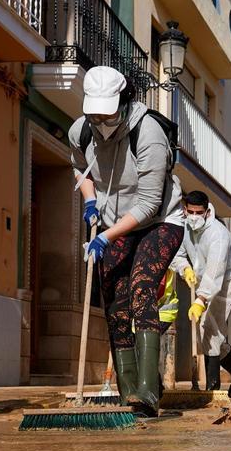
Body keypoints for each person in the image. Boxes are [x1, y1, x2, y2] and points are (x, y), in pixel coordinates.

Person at [73, 66, 184, 417]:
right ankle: (129, 395)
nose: (100, 123)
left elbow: (150, 203)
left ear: (122, 103)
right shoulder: (81, 131)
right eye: (94, 116)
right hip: (114, 220)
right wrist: (90, 200)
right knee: (115, 301)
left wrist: (105, 236)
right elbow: (80, 167)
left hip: (160, 220)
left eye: (107, 116)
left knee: (141, 286)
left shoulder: (148, 133)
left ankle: (150, 392)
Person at [170, 190, 231, 397]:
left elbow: (216, 271)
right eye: (191, 212)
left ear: (206, 211)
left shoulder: (218, 234)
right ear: (185, 210)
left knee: (209, 330)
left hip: (228, 282)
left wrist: (200, 299)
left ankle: (212, 387)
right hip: (205, 281)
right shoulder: (184, 226)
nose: (194, 216)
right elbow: (177, 253)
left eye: (199, 212)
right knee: (210, 333)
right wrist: (185, 268)